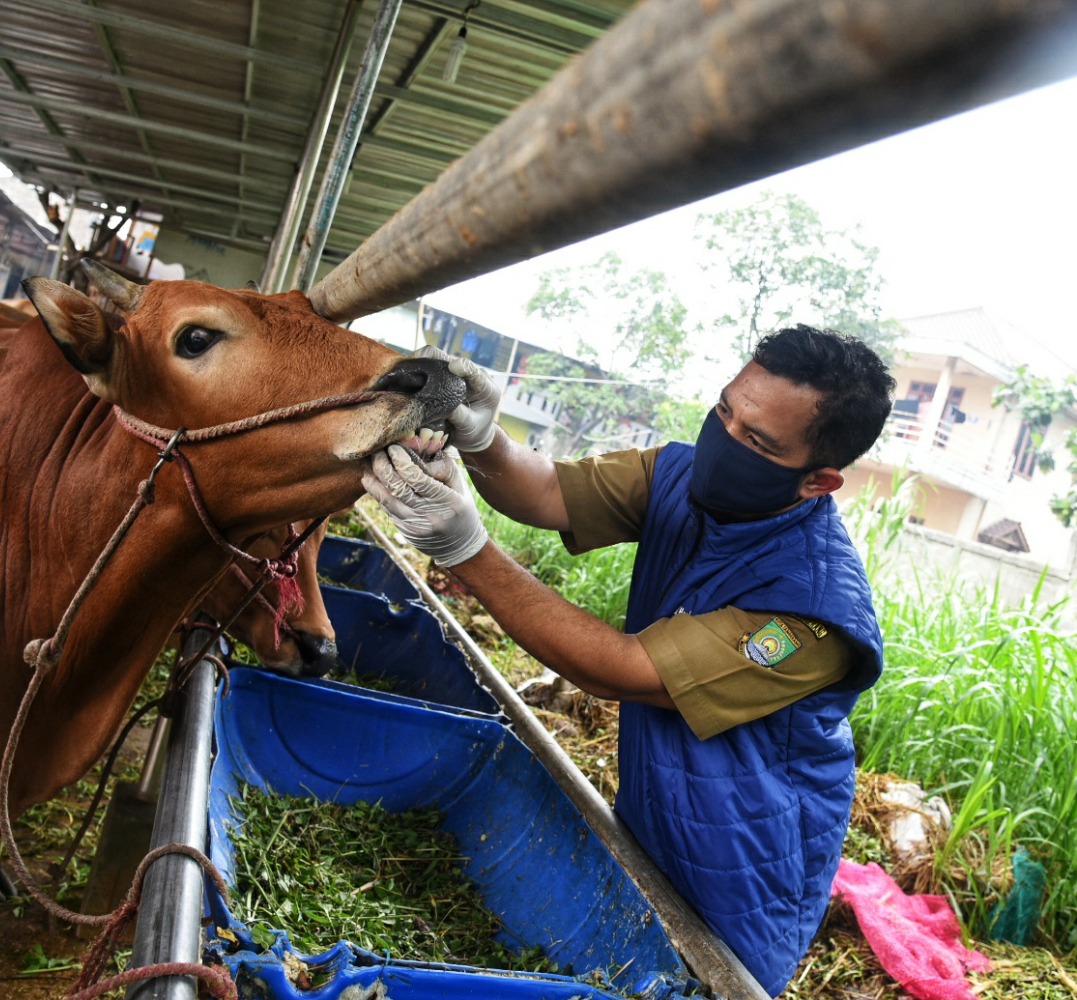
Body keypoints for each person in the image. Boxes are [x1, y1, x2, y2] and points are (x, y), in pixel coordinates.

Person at [361, 324, 895, 995]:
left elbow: (621, 670)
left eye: (758, 443)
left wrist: (467, 550)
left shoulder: (813, 616)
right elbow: (546, 492)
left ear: (818, 480)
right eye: (725, 411)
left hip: (737, 882)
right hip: (651, 819)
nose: (724, 441)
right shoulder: (679, 478)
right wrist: (483, 437)